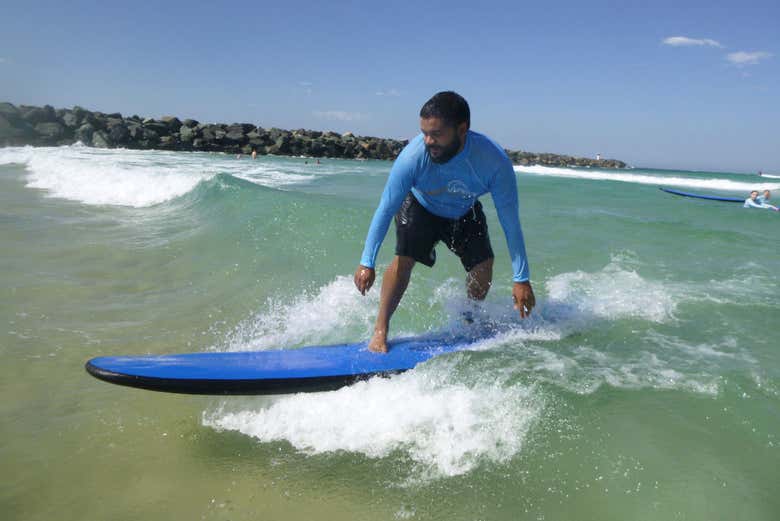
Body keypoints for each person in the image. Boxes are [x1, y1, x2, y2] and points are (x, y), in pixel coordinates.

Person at [353, 91, 535, 353]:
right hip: (420, 206)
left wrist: (522, 279)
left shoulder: (493, 162)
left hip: (464, 209)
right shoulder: (413, 157)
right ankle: (380, 329)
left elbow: (510, 222)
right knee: (404, 259)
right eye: (424, 132)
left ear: (462, 129)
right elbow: (385, 207)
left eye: (436, 134)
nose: (428, 141)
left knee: (483, 265)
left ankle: (469, 322)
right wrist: (366, 262)